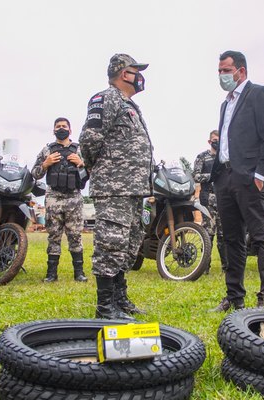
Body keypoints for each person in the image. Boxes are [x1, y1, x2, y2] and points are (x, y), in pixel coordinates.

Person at [79, 54, 153, 320]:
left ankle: (120, 299)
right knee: (111, 243)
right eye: (136, 70)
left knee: (128, 243)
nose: (140, 76)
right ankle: (105, 307)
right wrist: (96, 168)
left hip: (132, 188)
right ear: (124, 73)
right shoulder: (106, 98)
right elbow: (89, 139)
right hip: (114, 187)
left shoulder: (129, 104)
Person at [210, 51, 264, 312]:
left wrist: (261, 175)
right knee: (232, 239)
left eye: (226, 70)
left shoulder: (259, 94)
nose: (221, 76)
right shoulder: (225, 103)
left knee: (261, 237)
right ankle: (234, 296)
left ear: (241, 70)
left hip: (250, 178)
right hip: (225, 177)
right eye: (219, 71)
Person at [31, 117, 88, 283]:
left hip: (74, 198)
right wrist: (46, 164)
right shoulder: (47, 150)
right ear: (53, 130)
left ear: (70, 130)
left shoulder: (79, 150)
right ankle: (51, 274)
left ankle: (79, 273)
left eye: (64, 126)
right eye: (58, 126)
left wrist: (81, 163)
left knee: (75, 235)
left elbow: (92, 171)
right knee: (54, 236)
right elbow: (35, 174)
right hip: (53, 197)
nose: (61, 128)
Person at [193, 130, 227, 273]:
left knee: (223, 235)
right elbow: (196, 175)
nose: (216, 142)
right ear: (209, 141)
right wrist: (212, 176)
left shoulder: (224, 157)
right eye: (214, 139)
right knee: (208, 234)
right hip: (208, 199)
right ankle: (205, 267)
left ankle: (227, 267)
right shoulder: (202, 157)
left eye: (219, 139)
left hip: (224, 199)